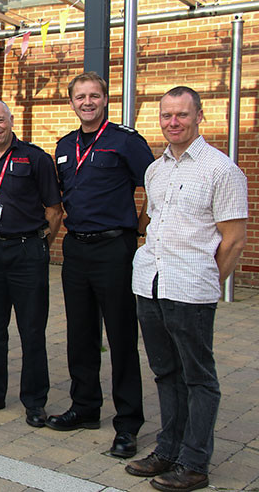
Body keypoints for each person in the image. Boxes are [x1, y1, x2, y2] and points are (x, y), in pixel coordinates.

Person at [126, 87, 247, 492]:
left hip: (190, 290)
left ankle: (194, 462)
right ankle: (168, 449)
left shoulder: (221, 170)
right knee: (165, 372)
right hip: (150, 283)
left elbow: (233, 240)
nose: (173, 122)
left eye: (181, 115)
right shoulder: (155, 170)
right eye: (166, 115)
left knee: (198, 377)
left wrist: (208, 284)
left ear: (199, 116)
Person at [49, 71, 154, 458]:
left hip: (115, 250)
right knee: (80, 334)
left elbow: (156, 185)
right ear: (72, 102)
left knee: (122, 337)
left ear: (105, 99)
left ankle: (127, 424)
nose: (87, 102)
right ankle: (85, 407)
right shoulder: (64, 145)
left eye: (94, 95)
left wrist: (141, 227)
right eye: (80, 97)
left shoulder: (126, 142)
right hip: (76, 250)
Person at [0, 100, 62, 427]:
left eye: (0, 121)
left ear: (10, 121)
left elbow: (54, 210)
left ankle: (35, 401)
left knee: (32, 329)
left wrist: (39, 245)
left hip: (26, 252)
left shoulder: (35, 158)